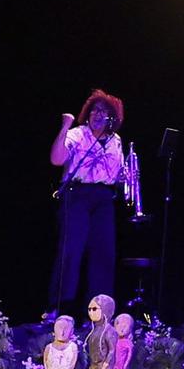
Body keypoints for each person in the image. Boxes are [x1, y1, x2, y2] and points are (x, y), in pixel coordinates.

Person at [47, 89, 128, 316]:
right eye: (94, 110)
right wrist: (65, 126)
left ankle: (99, 312)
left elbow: (116, 172)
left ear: (113, 116)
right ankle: (59, 308)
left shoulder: (116, 141)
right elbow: (56, 159)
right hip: (77, 195)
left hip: (103, 198)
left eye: (103, 111)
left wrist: (127, 179)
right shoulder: (78, 134)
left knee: (104, 254)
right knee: (71, 250)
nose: (96, 114)